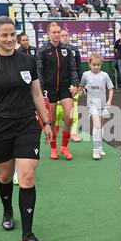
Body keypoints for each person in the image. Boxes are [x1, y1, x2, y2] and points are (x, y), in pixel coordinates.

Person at [0, 16, 53, 241]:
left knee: (27, 177)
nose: (9, 39)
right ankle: (8, 209)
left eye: (12, 34)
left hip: (27, 125)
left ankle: (27, 234)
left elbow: (37, 94)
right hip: (0, 127)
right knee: (5, 176)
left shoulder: (28, 60)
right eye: (4, 35)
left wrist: (46, 122)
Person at [37, 22, 80, 160]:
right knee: (52, 120)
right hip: (48, 89)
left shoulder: (67, 50)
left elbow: (73, 68)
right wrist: (41, 90)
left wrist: (75, 84)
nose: (56, 35)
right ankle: (53, 148)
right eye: (54, 32)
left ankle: (64, 147)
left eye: (58, 32)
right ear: (48, 33)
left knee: (70, 117)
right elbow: (39, 71)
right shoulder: (42, 50)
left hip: (64, 88)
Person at [79, 54, 114, 159]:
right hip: (92, 104)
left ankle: (100, 146)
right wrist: (73, 93)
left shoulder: (105, 75)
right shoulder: (85, 75)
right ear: (89, 64)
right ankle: (95, 150)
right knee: (97, 126)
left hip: (103, 104)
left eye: (98, 65)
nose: (96, 67)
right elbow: (80, 87)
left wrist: (109, 101)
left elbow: (111, 89)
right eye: (94, 64)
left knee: (101, 126)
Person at [59, 29, 83, 143]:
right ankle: (56, 127)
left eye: (66, 35)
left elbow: (78, 67)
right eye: (62, 36)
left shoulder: (74, 50)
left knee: (74, 110)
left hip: (73, 84)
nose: (65, 37)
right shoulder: (53, 50)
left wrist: (79, 84)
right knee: (58, 113)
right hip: (59, 85)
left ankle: (74, 133)